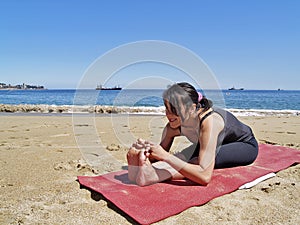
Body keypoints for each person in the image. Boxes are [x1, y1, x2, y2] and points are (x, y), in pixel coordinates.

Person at [127, 82, 258, 186]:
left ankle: (152, 176)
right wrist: (144, 155)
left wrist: (165, 156)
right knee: (180, 158)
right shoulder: (173, 127)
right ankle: (142, 173)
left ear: (192, 108)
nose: (169, 114)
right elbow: (159, 156)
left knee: (195, 162)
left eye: (175, 109)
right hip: (207, 143)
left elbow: (204, 176)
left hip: (243, 144)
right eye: (167, 108)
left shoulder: (209, 122)